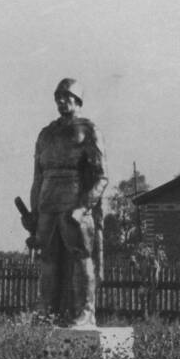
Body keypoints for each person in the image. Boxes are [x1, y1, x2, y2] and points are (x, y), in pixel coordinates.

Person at [22, 78, 107, 327]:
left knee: (81, 257)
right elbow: (37, 177)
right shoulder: (46, 134)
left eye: (66, 97)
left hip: (74, 202)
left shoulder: (88, 130)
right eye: (58, 97)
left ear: (77, 100)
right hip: (48, 201)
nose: (61, 101)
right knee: (47, 259)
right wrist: (34, 213)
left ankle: (85, 312)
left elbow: (102, 176)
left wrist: (83, 207)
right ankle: (47, 311)